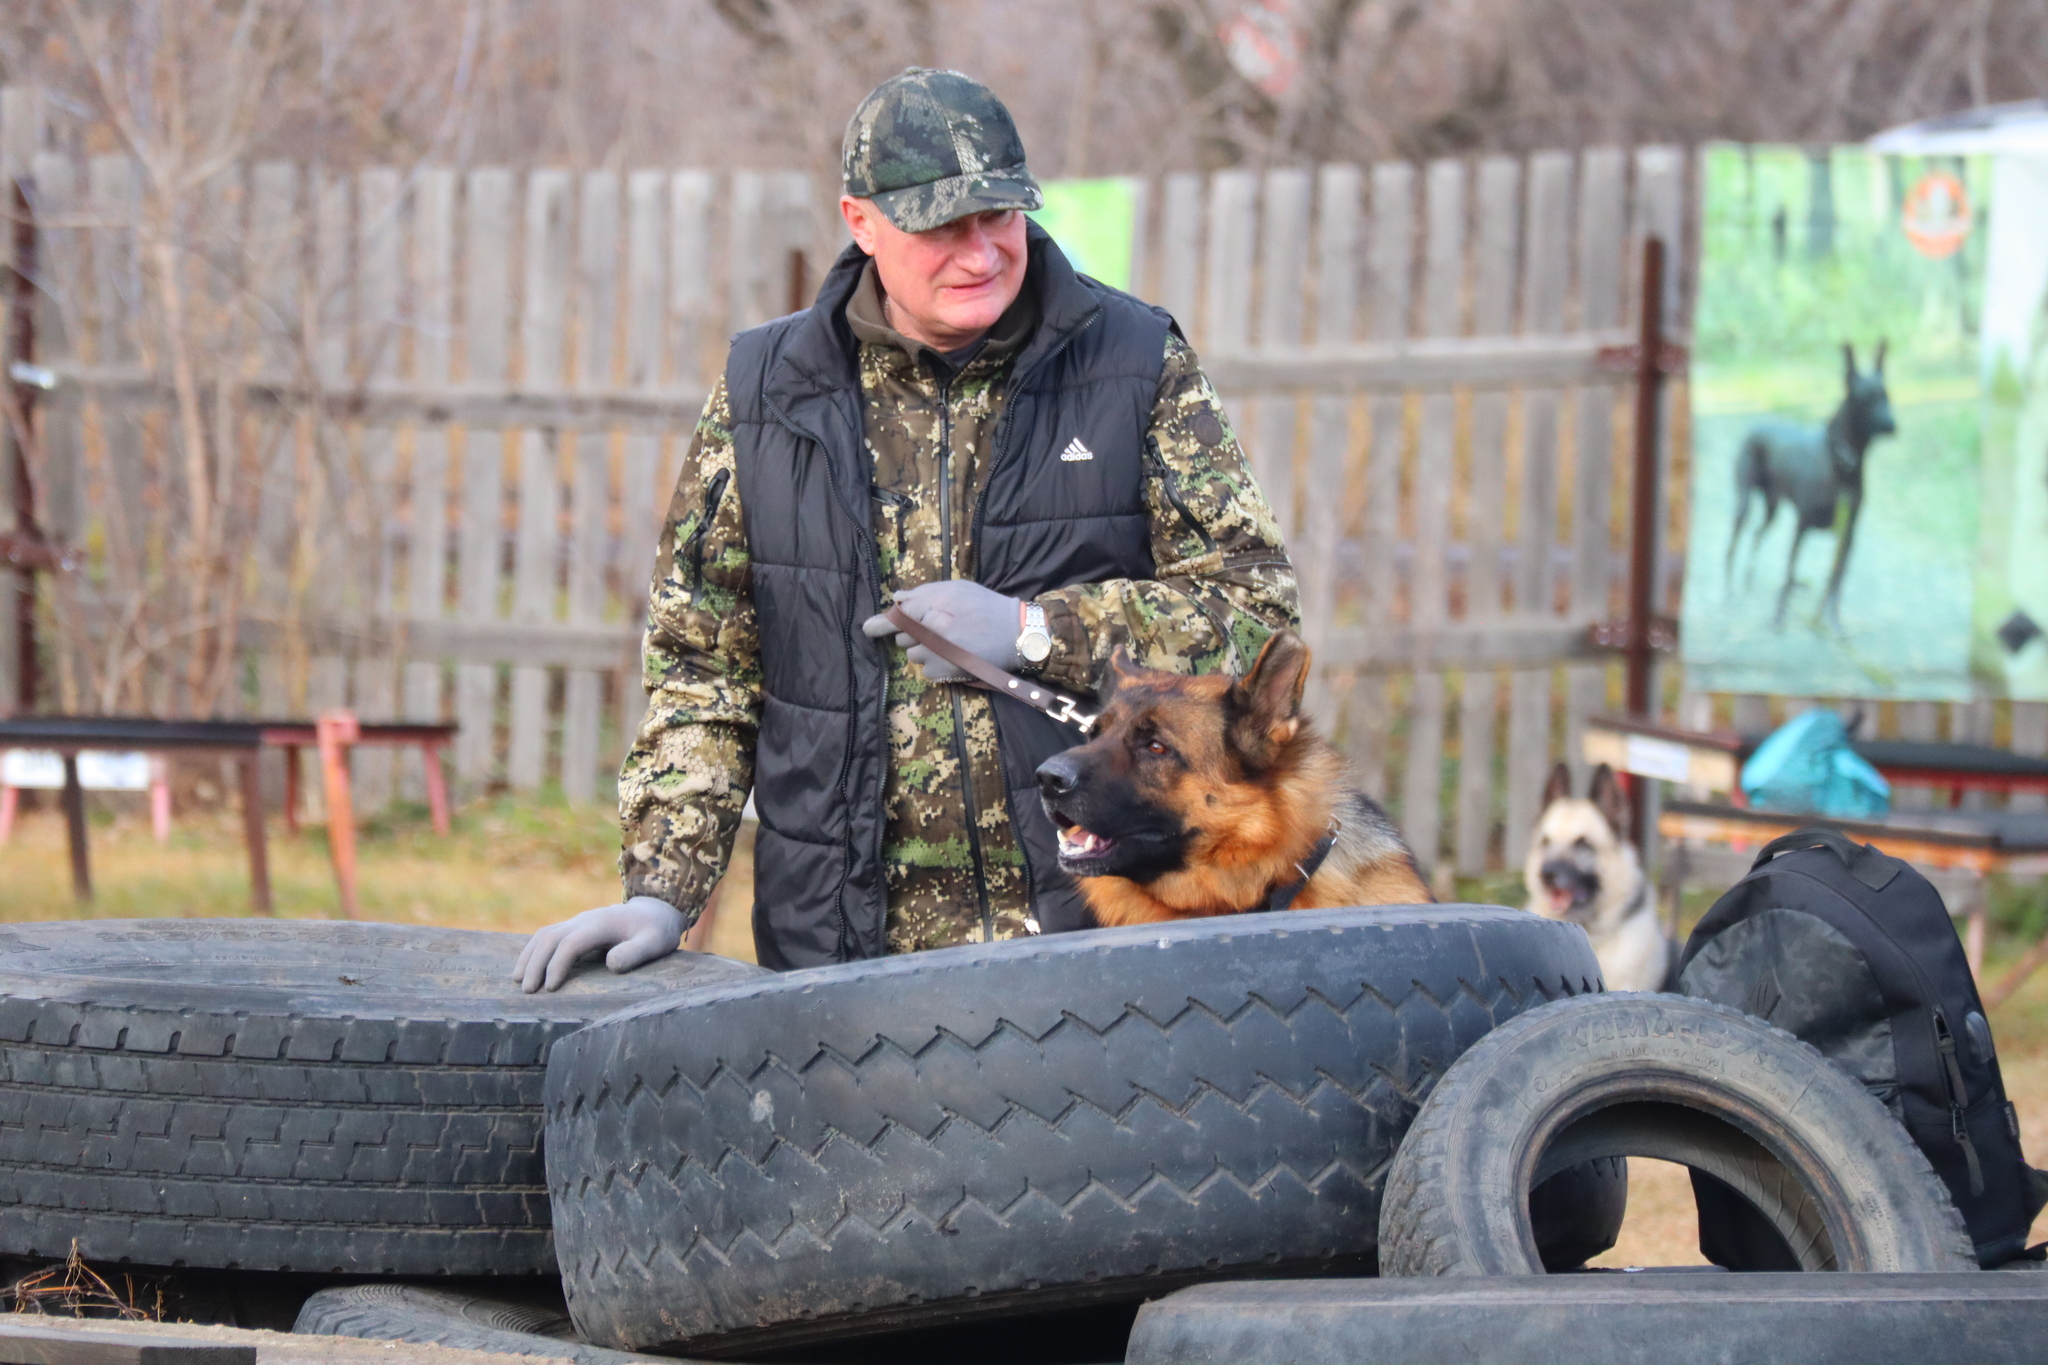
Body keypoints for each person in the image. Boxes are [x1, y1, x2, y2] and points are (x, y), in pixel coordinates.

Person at [515, 67, 1298, 992]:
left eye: (999, 217)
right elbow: (703, 664)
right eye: (942, 226)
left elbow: (1251, 606)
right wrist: (663, 887)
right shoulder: (766, 389)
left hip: (1089, 938)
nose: (981, 253)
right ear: (861, 221)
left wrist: (1031, 630)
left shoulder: (1134, 361)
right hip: (838, 948)